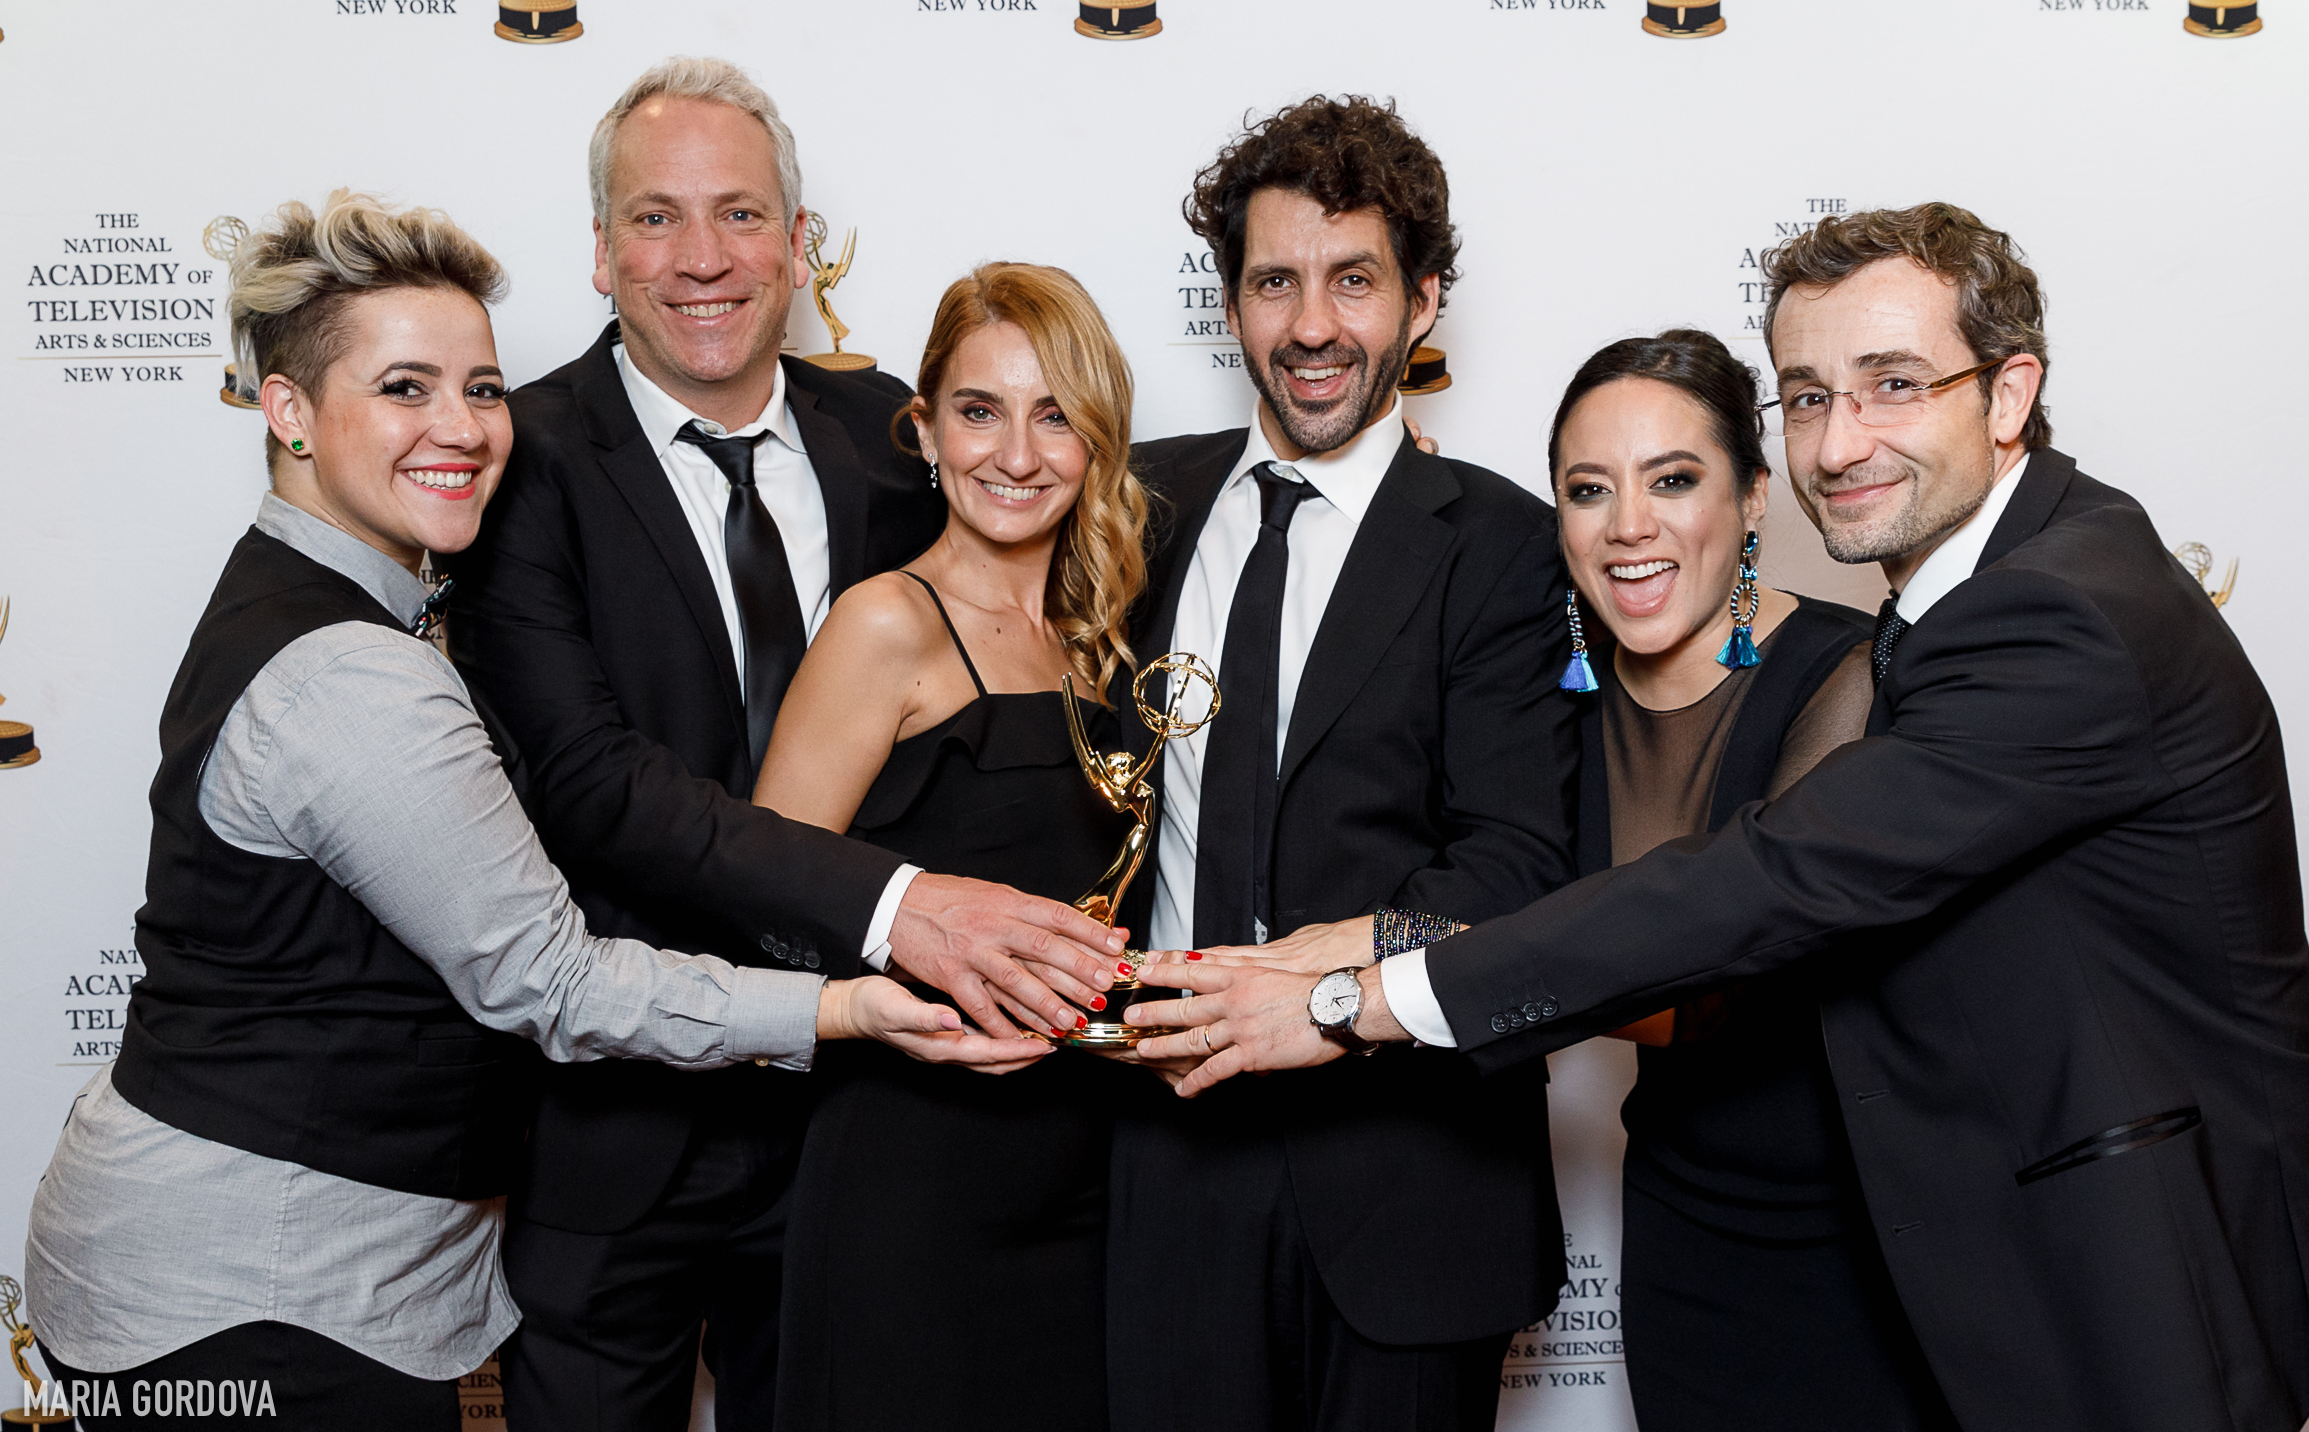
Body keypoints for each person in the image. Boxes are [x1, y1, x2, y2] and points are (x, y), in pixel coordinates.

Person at [1135, 203, 2309, 1431]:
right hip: (1948, 1245)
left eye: (1894, 385)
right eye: (1807, 396)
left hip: (2143, 1259)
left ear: (2009, 394)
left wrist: (1356, 998)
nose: (1839, 445)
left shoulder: (2052, 611)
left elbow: (1773, 885)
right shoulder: (1994, 578)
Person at [21, 192, 1019, 1431]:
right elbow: (553, 980)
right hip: (249, 1294)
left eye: (482, 388)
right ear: (287, 411)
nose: (461, 427)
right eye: (404, 388)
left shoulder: (315, 592)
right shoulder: (350, 673)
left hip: (283, 1276)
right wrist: (850, 1005)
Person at [441, 59, 1128, 1430]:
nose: (703, 257)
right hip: (625, 1121)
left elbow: (1045, 507)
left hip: (856, 1129)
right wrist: (901, 909)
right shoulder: (524, 462)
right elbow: (587, 785)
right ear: (600, 251)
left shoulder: (888, 436)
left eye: (741, 214)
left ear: (800, 244)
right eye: (657, 217)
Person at [1104, 95, 1577, 1432]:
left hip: (1409, 1174)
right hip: (1163, 1164)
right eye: (1276, 283)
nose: (1313, 325)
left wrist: (1308, 992)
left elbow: (1517, 871)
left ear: (1423, 301)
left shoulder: (1504, 547)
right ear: (1233, 305)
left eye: (1354, 280)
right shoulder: (1126, 508)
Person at [753, 261, 1155, 1432]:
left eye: (1055, 415)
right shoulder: (885, 622)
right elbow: (765, 902)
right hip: (912, 1176)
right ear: (925, 430)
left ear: (1097, 440)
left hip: (1087, 1174)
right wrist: (893, 1002)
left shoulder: (1102, 638)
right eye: (981, 411)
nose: (1017, 454)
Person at [1543, 330, 1958, 1428]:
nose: (1629, 526)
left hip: (1865, 1240)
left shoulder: (1853, 680)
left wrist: (1413, 970)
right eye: (1589, 490)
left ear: (1755, 496)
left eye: (1674, 480)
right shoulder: (1542, 698)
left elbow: (1714, 991)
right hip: (1680, 1220)